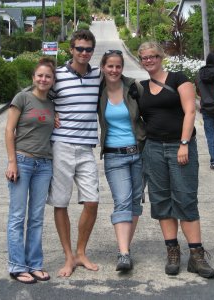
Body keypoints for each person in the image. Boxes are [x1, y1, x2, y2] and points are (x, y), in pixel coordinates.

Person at [137, 41, 214, 279]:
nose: (149, 60)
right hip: (153, 148)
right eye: (144, 58)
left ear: (161, 57)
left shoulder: (179, 79)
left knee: (185, 197)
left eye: (153, 56)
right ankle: (172, 251)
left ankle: (196, 255)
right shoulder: (140, 88)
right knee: (161, 199)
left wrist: (183, 143)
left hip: (179, 147)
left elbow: (191, 111)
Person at [46, 29, 101, 277]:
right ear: (71, 49)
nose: (83, 53)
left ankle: (80, 252)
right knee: (61, 202)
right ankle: (68, 256)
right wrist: (50, 115)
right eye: (79, 48)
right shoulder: (56, 76)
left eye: (88, 49)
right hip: (62, 146)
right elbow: (38, 96)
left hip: (87, 146)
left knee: (92, 201)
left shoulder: (98, 76)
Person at [5, 57, 56, 284]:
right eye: (40, 75)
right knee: (17, 217)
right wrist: (12, 161)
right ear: (33, 77)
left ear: (53, 80)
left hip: (44, 165)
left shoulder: (52, 104)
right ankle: (17, 265)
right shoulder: (23, 98)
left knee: (36, 218)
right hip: (22, 162)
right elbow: (9, 131)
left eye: (48, 76)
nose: (43, 79)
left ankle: (35, 264)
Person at [97, 50, 145, 271]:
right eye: (110, 66)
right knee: (122, 200)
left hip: (139, 152)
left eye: (118, 66)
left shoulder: (134, 88)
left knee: (135, 201)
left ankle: (125, 246)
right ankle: (123, 253)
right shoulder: (97, 90)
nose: (114, 70)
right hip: (114, 155)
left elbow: (151, 111)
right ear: (103, 67)